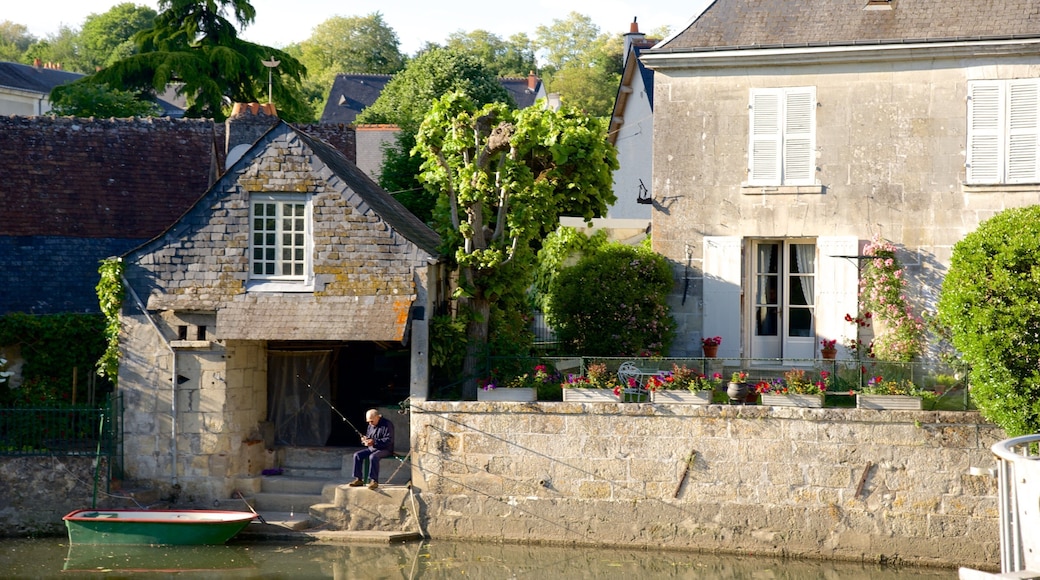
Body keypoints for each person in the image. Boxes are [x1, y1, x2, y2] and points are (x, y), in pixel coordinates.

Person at [349, 409, 394, 490]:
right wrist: (365, 440)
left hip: (385, 449)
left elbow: (389, 440)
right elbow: (369, 436)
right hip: (372, 448)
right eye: (368, 422)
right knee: (357, 455)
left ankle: (374, 480)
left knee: (373, 457)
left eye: (371, 421)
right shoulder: (371, 425)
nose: (370, 423)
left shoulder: (387, 424)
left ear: (377, 417)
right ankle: (358, 479)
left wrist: (374, 442)